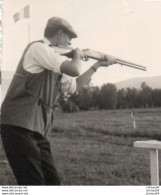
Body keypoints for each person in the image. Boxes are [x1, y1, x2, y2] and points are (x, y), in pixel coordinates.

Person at [0, 17, 116, 185]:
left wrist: (96, 65)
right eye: (69, 39)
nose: (70, 43)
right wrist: (77, 54)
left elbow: (75, 86)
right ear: (60, 34)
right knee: (33, 183)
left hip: (37, 130)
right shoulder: (38, 48)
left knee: (53, 183)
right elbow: (75, 69)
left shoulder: (53, 59)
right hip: (17, 126)